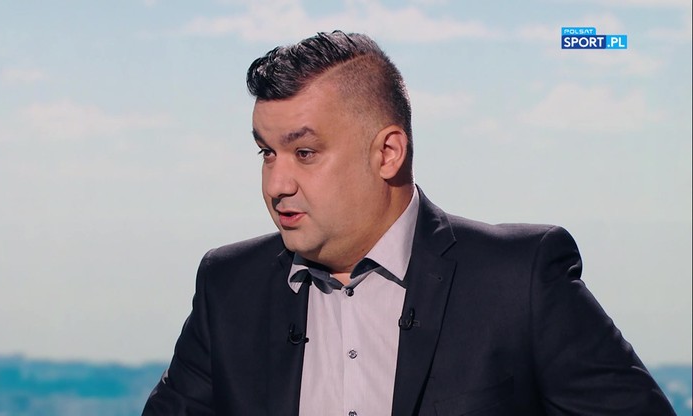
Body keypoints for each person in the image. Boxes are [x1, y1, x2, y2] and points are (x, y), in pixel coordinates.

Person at [143, 31, 674, 415]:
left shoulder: (520, 280)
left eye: (304, 153)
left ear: (388, 153)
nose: (276, 184)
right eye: (266, 153)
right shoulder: (228, 286)